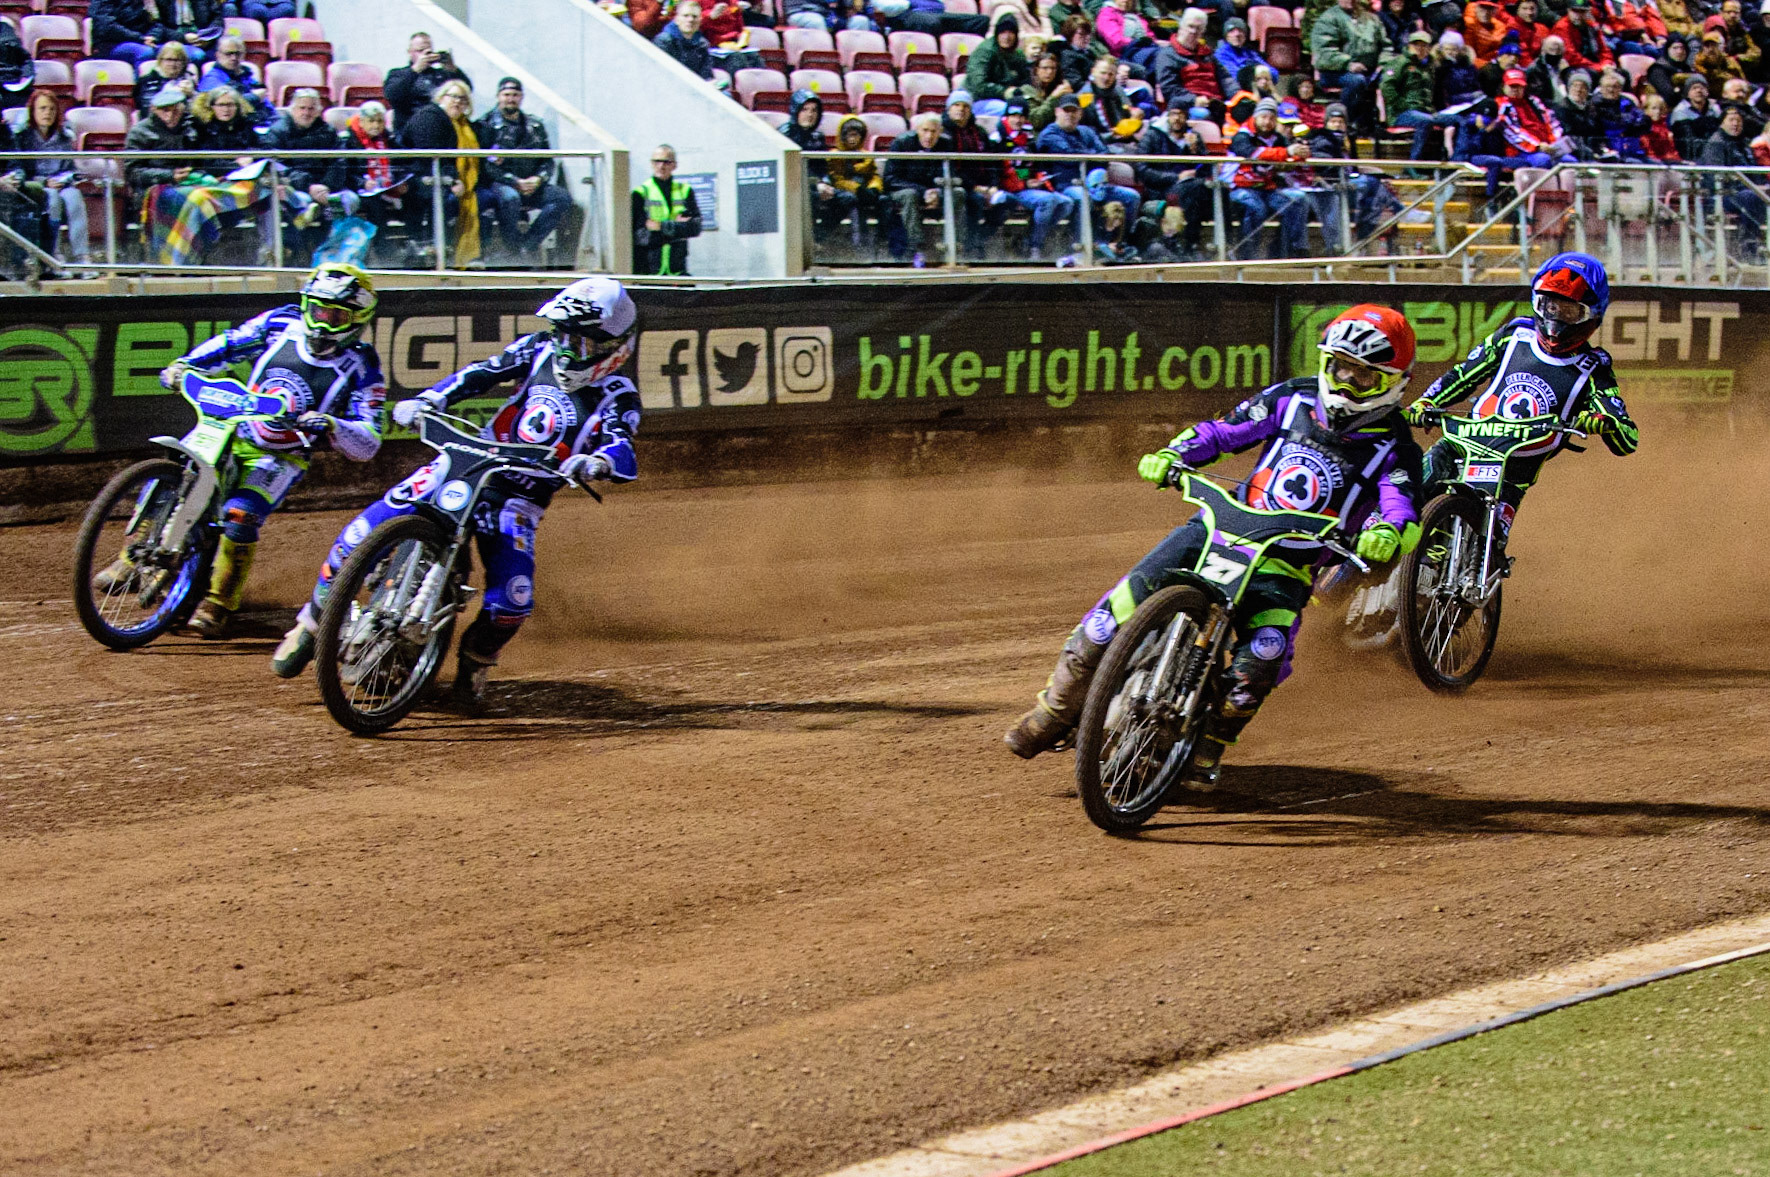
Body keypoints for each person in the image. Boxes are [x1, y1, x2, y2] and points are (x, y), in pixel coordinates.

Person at [1004, 305, 1424, 784]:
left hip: (1287, 564)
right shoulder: (1293, 399)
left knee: (1263, 655)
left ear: (1393, 381)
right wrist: (1173, 453)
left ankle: (1212, 741)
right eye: (1339, 368)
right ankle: (1054, 712)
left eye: (1363, 377)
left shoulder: (1396, 447)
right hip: (1216, 529)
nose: (1346, 384)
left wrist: (1387, 534)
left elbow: (1403, 511)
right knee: (1106, 621)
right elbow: (1225, 431)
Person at [270, 278, 640, 704]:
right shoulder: (538, 348)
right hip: (463, 461)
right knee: (358, 535)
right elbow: (481, 373)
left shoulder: (617, 395)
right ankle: (310, 623)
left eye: (584, 342)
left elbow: (621, 443)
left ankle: (476, 661)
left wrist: (600, 462)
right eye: (564, 335)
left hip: (517, 498)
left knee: (513, 602)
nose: (568, 349)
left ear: (616, 345)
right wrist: (430, 399)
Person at [134, 265, 385, 638]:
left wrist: (334, 425)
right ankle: (133, 551)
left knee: (240, 515)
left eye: (336, 316)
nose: (324, 322)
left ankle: (218, 604)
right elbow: (233, 343)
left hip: (280, 455)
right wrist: (185, 364)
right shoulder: (281, 323)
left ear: (358, 319)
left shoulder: (362, 366)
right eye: (318, 310)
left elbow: (370, 437)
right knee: (177, 469)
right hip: (230, 426)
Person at [1403, 253, 1636, 550]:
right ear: (1538, 302)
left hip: (1516, 466)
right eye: (1551, 306)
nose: (1556, 318)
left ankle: (1475, 584)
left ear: (1590, 314)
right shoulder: (1515, 335)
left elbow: (1628, 437)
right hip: (1465, 440)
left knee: (1491, 544)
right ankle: (1354, 560)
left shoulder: (1594, 367)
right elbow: (1464, 374)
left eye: (1569, 311)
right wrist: (1425, 403)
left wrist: (1606, 423)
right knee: (1406, 492)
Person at [474, 77, 575, 264]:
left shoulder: (535, 125)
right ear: (498, 96)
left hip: (532, 183)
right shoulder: (485, 125)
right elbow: (485, 165)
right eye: (506, 95)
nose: (510, 99)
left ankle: (528, 244)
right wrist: (515, 182)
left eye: (515, 95)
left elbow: (547, 160)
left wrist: (538, 179)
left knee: (562, 197)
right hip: (501, 183)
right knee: (510, 197)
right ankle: (512, 248)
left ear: (521, 97)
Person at [402, 80, 486, 268]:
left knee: (486, 199)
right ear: (441, 97)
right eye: (453, 97)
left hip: (440, 177)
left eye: (462, 99)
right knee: (446, 200)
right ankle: (436, 255)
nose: (457, 102)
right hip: (417, 178)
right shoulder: (430, 117)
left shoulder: (458, 123)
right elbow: (429, 157)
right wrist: (453, 180)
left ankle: (462, 255)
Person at [16, 88, 92, 267]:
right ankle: (54, 254)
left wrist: (64, 180)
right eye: (42, 109)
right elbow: (20, 170)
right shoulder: (22, 137)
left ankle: (83, 257)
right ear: (32, 111)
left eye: (51, 109)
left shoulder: (64, 136)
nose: (47, 113)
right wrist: (44, 182)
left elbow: (70, 168)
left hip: (60, 183)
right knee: (53, 199)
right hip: (36, 184)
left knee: (74, 198)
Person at [1228, 96, 1310, 258]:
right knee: (1255, 207)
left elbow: (1291, 159)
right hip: (1238, 187)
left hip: (1267, 188)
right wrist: (1287, 152)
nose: (1267, 122)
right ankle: (1245, 254)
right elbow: (1254, 154)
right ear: (1255, 117)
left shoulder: (1278, 138)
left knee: (1297, 201)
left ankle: (1284, 251)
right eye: (1263, 117)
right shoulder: (1242, 136)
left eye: (1272, 118)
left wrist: (1301, 153)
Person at [997, 97, 1075, 259]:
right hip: (1008, 188)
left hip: (1026, 186)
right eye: (1014, 116)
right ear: (1007, 116)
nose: (1017, 120)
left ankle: (1031, 236)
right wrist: (1025, 182)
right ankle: (1034, 246)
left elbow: (1033, 166)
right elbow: (1001, 171)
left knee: (1067, 203)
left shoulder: (1028, 138)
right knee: (1048, 201)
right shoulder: (998, 139)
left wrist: (1038, 179)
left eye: (1021, 116)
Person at [884, 113, 952, 267]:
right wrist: (923, 191)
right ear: (917, 130)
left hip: (933, 192)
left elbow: (950, 174)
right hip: (904, 190)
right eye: (925, 130)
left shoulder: (946, 144)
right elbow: (890, 179)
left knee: (959, 194)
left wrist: (937, 192)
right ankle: (917, 247)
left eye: (933, 132)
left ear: (940, 132)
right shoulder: (901, 143)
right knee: (910, 195)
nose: (929, 136)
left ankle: (957, 246)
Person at [1701, 103, 1767, 259]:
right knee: (1751, 197)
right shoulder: (1716, 143)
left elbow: (1754, 171)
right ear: (1722, 122)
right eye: (1731, 120)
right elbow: (1715, 175)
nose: (1735, 124)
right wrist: (1751, 187)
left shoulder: (1744, 143)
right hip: (1723, 194)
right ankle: (1748, 247)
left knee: (1756, 194)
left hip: (1746, 190)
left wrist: (1761, 185)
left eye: (1738, 121)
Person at [1312, 0, 1389, 133]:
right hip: (1335, 71)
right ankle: (1348, 123)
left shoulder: (1372, 19)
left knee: (1391, 77)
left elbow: (1387, 47)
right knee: (1356, 80)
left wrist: (1382, 64)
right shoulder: (1328, 19)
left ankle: (1386, 124)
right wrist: (1347, 64)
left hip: (1370, 70)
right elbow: (1323, 52)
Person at [631, 143, 702, 274]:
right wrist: (677, 229)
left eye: (666, 162)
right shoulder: (640, 193)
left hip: (677, 269)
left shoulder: (685, 191)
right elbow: (640, 236)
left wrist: (661, 226)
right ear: (652, 163)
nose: (661, 166)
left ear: (674, 165)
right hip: (649, 269)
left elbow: (695, 228)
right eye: (657, 161)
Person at [1154, 9, 1233, 124]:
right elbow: (1169, 89)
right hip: (1189, 106)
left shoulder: (1208, 53)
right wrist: (1194, 100)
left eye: (1198, 28)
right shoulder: (1167, 55)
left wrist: (1237, 95)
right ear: (1181, 26)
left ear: (1203, 32)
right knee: (1205, 115)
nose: (1193, 31)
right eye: (1190, 26)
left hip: (1216, 103)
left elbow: (1226, 79)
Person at [385, 32, 473, 128]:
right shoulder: (398, 73)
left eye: (429, 51)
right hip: (412, 127)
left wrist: (452, 69)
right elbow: (392, 95)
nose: (425, 54)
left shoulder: (442, 74)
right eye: (420, 50)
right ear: (410, 52)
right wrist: (416, 69)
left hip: (443, 125)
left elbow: (467, 90)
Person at [828, 114, 886, 247]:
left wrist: (874, 188)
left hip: (867, 191)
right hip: (848, 193)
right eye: (850, 135)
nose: (853, 139)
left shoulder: (866, 155)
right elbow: (837, 180)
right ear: (843, 136)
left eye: (857, 135)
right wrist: (857, 189)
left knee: (885, 201)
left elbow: (874, 175)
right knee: (855, 203)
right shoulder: (834, 155)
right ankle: (860, 244)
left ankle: (883, 243)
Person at [967, 13, 1033, 117]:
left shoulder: (1018, 55)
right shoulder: (985, 52)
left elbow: (1025, 80)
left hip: (1005, 98)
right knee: (1011, 110)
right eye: (1003, 32)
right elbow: (979, 85)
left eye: (1011, 32)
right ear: (997, 34)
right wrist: (1004, 91)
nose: (1007, 37)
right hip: (978, 99)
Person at [197, 36, 268, 113]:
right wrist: (254, 97)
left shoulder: (247, 76)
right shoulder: (211, 79)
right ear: (217, 55)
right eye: (228, 54)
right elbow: (223, 104)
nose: (234, 58)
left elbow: (268, 106)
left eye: (238, 54)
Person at [92, 0, 171, 68]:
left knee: (179, 51)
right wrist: (140, 38)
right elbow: (106, 27)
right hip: (111, 44)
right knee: (147, 53)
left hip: (143, 41)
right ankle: (142, 85)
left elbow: (157, 22)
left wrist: (153, 36)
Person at [134, 42, 198, 117]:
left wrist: (192, 94)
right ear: (160, 61)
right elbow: (148, 112)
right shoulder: (147, 81)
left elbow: (201, 112)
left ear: (184, 62)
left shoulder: (189, 79)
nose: (173, 64)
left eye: (177, 60)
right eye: (169, 59)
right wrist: (172, 94)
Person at [656, 0, 715, 79]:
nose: (690, 20)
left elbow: (706, 75)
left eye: (695, 16)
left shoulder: (703, 44)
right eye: (685, 15)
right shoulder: (663, 41)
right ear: (676, 19)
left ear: (700, 21)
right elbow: (660, 73)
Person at [1552, 0, 1615, 72]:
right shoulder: (1562, 27)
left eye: (1582, 11)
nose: (1578, 15)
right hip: (1574, 67)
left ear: (1589, 12)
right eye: (1575, 11)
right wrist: (1598, 67)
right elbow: (1571, 57)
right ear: (1568, 10)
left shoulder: (1592, 25)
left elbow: (1604, 49)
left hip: (1595, 63)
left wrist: (1607, 63)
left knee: (1621, 74)